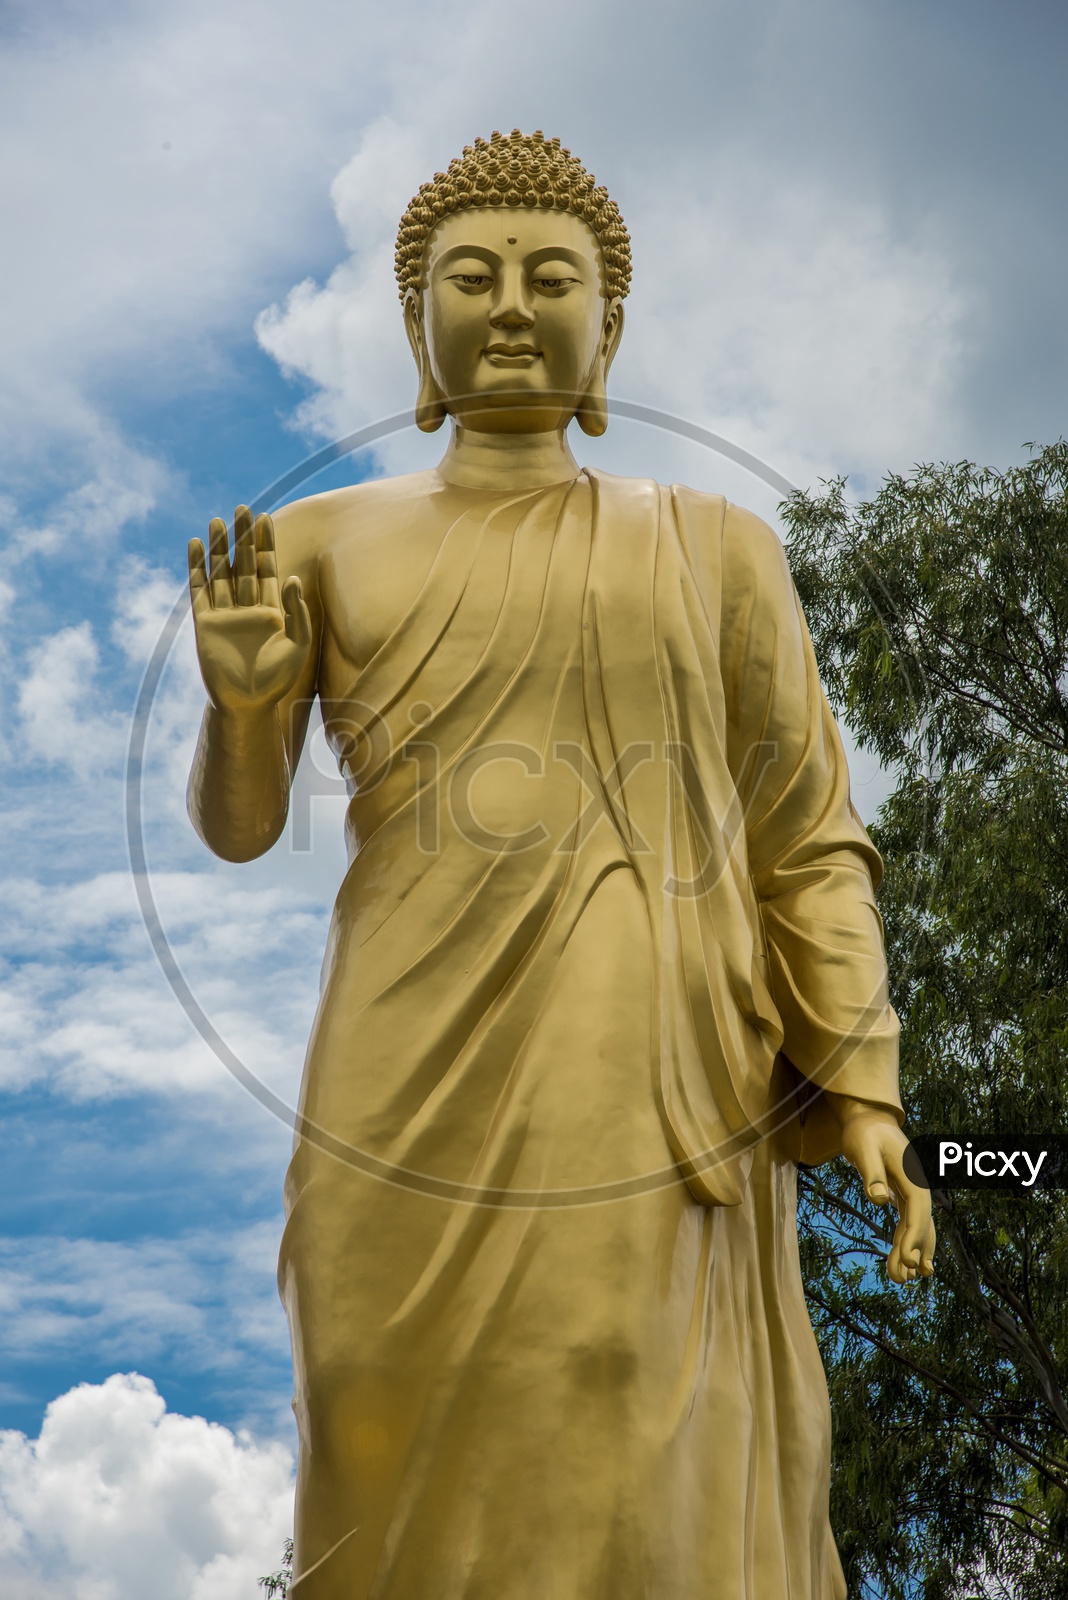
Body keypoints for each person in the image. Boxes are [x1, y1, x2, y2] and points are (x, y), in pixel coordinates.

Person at [187, 129, 935, 1600]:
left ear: (610, 325)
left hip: (638, 1049)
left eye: (553, 276)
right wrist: (239, 705)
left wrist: (863, 1087)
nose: (513, 302)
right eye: (471, 277)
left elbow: (806, 836)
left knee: (612, 1376)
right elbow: (240, 825)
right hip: (396, 1051)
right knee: (363, 1389)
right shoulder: (318, 542)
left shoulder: (718, 547)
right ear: (419, 324)